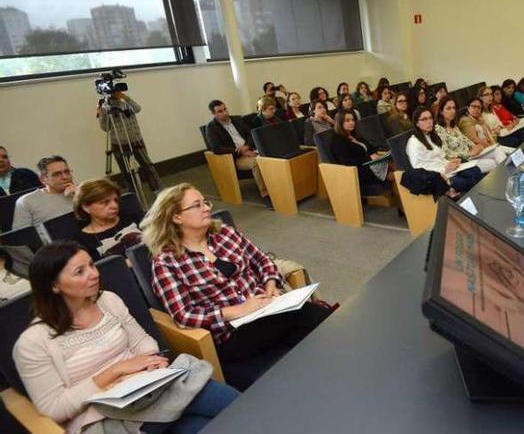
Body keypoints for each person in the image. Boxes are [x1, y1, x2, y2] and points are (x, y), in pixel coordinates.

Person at [13, 241, 238, 433]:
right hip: (104, 417)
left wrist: (149, 363)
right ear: (54, 286)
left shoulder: (108, 300)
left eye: (91, 265)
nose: (94, 274)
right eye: (80, 272)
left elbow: (142, 342)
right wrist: (117, 371)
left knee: (230, 410)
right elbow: (53, 407)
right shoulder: (33, 342)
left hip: (147, 388)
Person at [142, 184, 334, 389]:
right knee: (308, 317)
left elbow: (262, 260)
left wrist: (271, 283)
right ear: (176, 217)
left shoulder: (225, 233)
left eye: (205, 202)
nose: (206, 208)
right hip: (232, 334)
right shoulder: (166, 262)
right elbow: (183, 314)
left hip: (267, 310)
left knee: (317, 327)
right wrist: (238, 310)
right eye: (196, 205)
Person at [204, 100, 270, 208]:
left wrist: (247, 146)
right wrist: (239, 150)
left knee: (271, 155)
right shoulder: (211, 128)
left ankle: (276, 187)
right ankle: (265, 194)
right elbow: (216, 148)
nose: (224, 113)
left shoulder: (237, 119)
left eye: (225, 109)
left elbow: (251, 134)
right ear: (214, 114)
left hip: (250, 149)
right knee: (255, 163)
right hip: (235, 158)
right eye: (220, 111)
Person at [407, 107, 484, 198]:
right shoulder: (414, 143)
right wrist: (445, 169)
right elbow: (420, 171)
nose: (429, 121)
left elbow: (440, 158)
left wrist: (451, 162)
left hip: (448, 169)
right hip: (438, 177)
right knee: (467, 180)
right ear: (417, 123)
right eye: (424, 119)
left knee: (476, 171)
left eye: (430, 118)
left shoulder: (431, 136)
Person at [98, 90, 161, 192]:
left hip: (135, 140)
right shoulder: (105, 109)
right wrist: (101, 114)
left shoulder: (126, 104)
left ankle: (157, 190)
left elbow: (138, 108)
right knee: (126, 172)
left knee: (147, 166)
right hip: (118, 143)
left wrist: (125, 97)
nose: (115, 94)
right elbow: (105, 128)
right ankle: (133, 194)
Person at [72, 178, 143, 261]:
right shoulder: (81, 242)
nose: (114, 206)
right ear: (85, 207)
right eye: (105, 202)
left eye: (116, 200)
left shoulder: (133, 218)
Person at [435, 96, 504, 173]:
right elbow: (446, 153)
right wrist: (468, 154)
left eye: (454, 108)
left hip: (472, 156)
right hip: (461, 161)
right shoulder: (438, 129)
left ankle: (513, 177)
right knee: (492, 163)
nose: (452, 111)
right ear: (441, 111)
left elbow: (466, 140)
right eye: (449, 108)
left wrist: (476, 146)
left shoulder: (454, 127)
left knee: (497, 150)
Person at [329, 109, 389, 191]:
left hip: (370, 165)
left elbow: (371, 147)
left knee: (393, 163)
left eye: (353, 120)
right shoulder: (337, 140)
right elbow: (347, 162)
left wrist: (375, 155)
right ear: (340, 123)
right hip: (359, 171)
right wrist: (370, 158)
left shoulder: (354, 135)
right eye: (347, 120)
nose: (352, 122)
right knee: (392, 173)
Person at [12, 156, 77, 230]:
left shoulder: (80, 192)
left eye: (67, 172)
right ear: (43, 179)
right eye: (57, 174)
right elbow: (21, 236)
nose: (65, 177)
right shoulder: (26, 201)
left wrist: (80, 196)